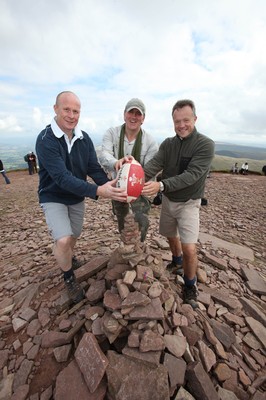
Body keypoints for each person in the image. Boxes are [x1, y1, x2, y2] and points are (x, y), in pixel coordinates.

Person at [36, 91, 127, 304]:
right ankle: (68, 276)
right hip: (53, 195)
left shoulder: (83, 138)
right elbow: (61, 177)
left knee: (74, 235)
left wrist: (110, 184)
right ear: (55, 109)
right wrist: (97, 191)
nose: (71, 115)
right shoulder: (45, 139)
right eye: (66, 109)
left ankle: (66, 255)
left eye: (75, 111)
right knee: (64, 238)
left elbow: (92, 168)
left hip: (76, 197)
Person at [142, 99, 214, 309]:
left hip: (190, 202)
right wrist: (134, 178)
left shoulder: (205, 144)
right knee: (170, 235)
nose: (181, 125)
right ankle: (176, 261)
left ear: (195, 119)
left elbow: (192, 175)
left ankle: (190, 285)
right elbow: (154, 165)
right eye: (177, 121)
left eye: (186, 120)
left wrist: (160, 186)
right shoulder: (168, 144)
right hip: (168, 201)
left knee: (189, 247)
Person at [100, 98, 159, 242]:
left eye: (138, 114)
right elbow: (103, 155)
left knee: (141, 219)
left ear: (143, 118)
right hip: (118, 188)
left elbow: (151, 169)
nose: (133, 117)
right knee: (123, 218)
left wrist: (135, 173)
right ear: (124, 114)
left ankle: (139, 247)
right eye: (130, 112)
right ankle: (125, 247)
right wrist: (116, 163)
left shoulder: (150, 142)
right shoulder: (112, 133)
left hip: (140, 187)